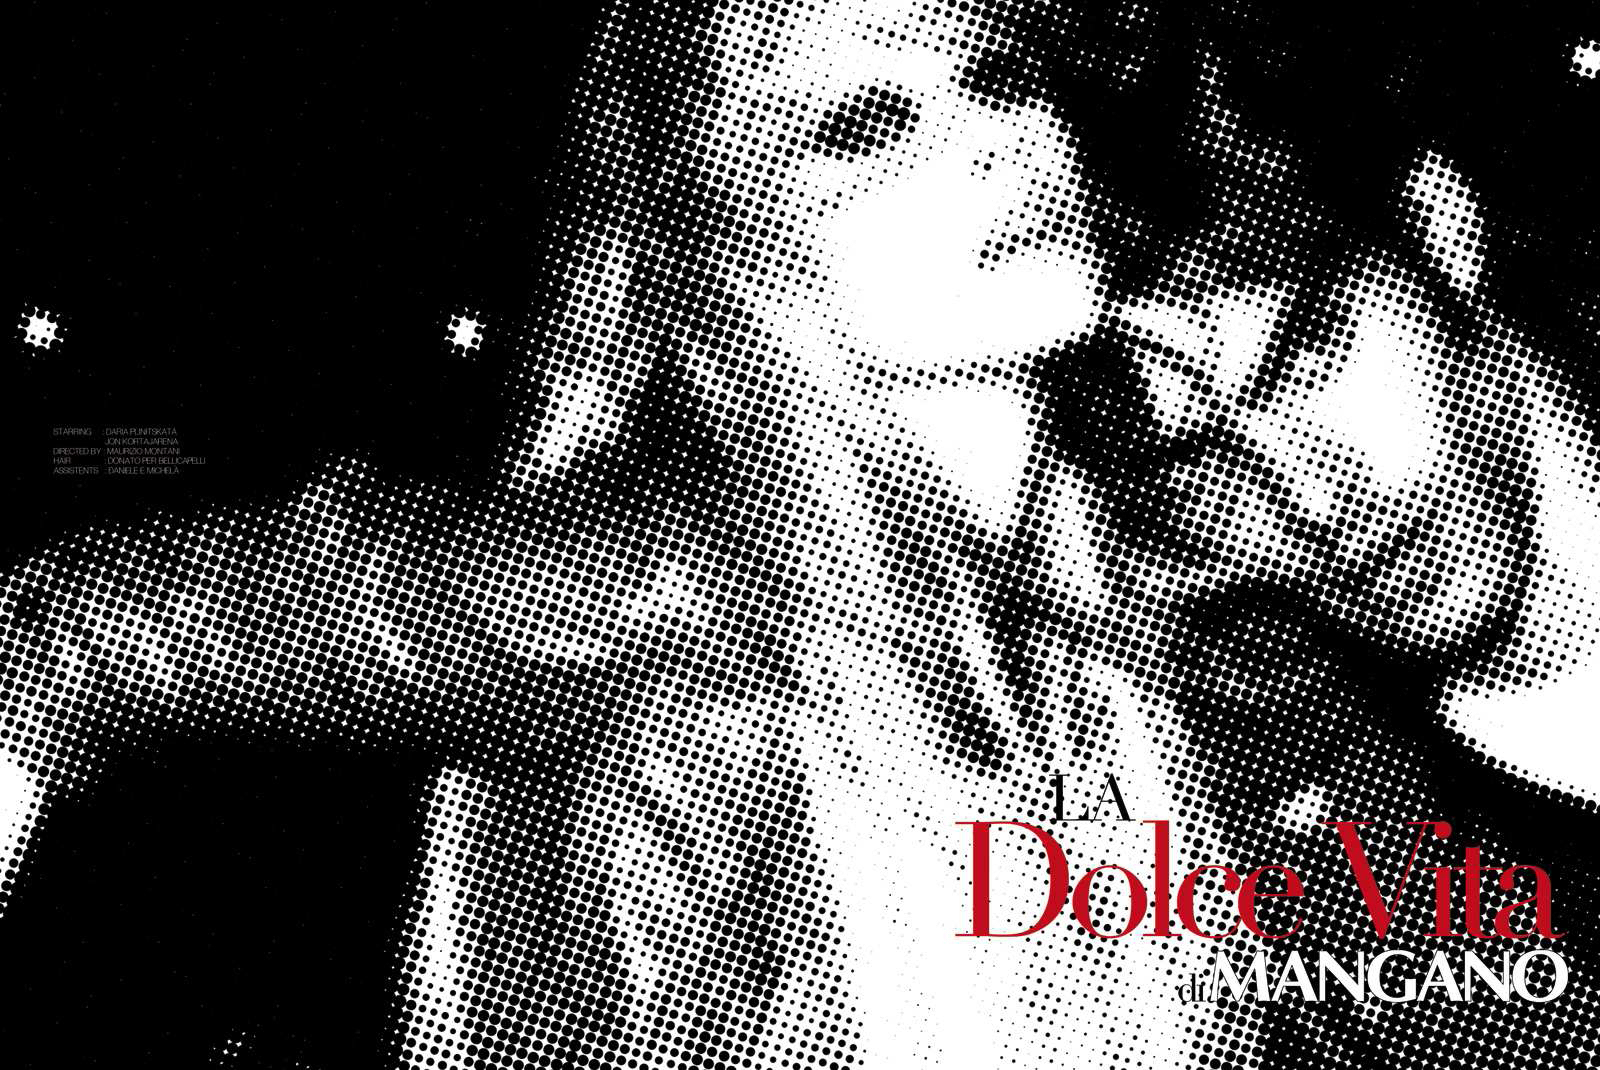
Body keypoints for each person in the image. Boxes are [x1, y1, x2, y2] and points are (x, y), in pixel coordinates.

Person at [2, 1, 1597, 1067]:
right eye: (862, 123)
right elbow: (68, 639)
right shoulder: (682, 571)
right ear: (723, 225)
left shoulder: (1109, 582)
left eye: (992, 74)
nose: (990, 140)